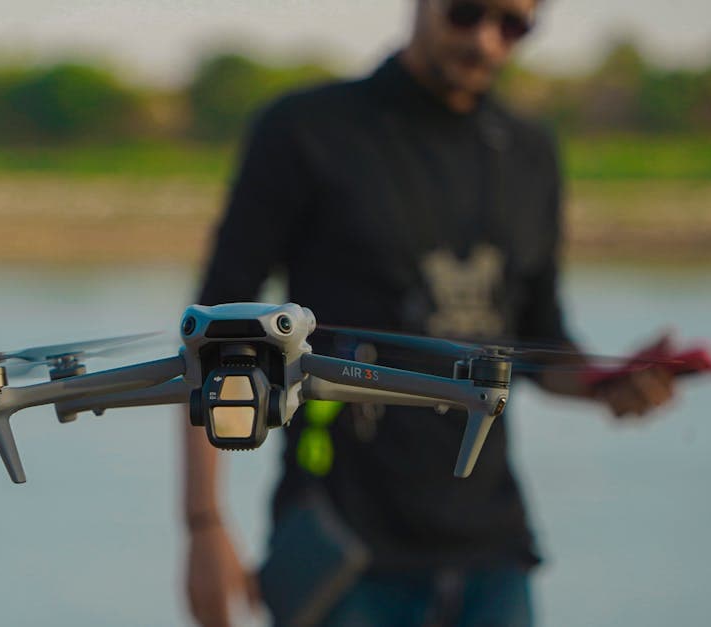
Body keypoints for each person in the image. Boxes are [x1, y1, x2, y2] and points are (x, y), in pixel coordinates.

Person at [182, 0, 677, 625]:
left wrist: (608, 384)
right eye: (467, 13)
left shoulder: (529, 152)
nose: (487, 41)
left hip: (494, 554)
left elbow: (537, 339)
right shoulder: (306, 129)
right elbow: (213, 334)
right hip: (344, 549)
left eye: (514, 25)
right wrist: (203, 524)